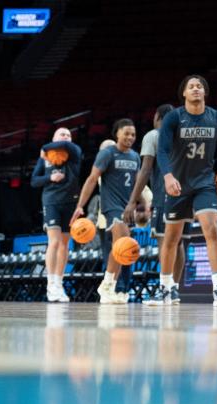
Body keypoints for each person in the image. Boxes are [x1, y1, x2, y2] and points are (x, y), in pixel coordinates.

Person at [150, 75, 217, 307]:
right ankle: (165, 287)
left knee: (211, 229)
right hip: (178, 184)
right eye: (191, 86)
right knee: (171, 238)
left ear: (205, 92)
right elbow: (162, 152)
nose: (196, 89)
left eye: (200, 86)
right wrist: (168, 176)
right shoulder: (173, 117)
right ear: (184, 94)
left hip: (204, 183)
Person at [71, 120, 140, 304]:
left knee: (121, 247)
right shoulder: (107, 154)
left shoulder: (135, 157)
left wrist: (137, 204)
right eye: (126, 133)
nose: (130, 137)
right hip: (112, 205)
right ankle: (108, 284)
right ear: (117, 133)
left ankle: (111, 285)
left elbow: (136, 184)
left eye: (133, 134)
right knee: (123, 243)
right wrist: (80, 205)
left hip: (127, 207)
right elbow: (92, 179)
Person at [125, 104, 187, 301]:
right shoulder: (184, 135)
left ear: (156, 117)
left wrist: (132, 201)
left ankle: (164, 289)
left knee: (166, 243)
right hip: (186, 194)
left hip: (164, 194)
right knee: (179, 243)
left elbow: (145, 170)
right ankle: (174, 290)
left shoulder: (153, 135)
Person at [30, 127, 83, 303]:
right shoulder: (45, 159)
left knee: (65, 244)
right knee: (54, 242)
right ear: (54, 137)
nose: (66, 137)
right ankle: (50, 282)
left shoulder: (74, 151)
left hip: (70, 202)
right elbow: (34, 181)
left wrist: (45, 147)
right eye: (62, 134)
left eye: (69, 135)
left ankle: (59, 283)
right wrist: (50, 179)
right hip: (51, 201)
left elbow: (59, 145)